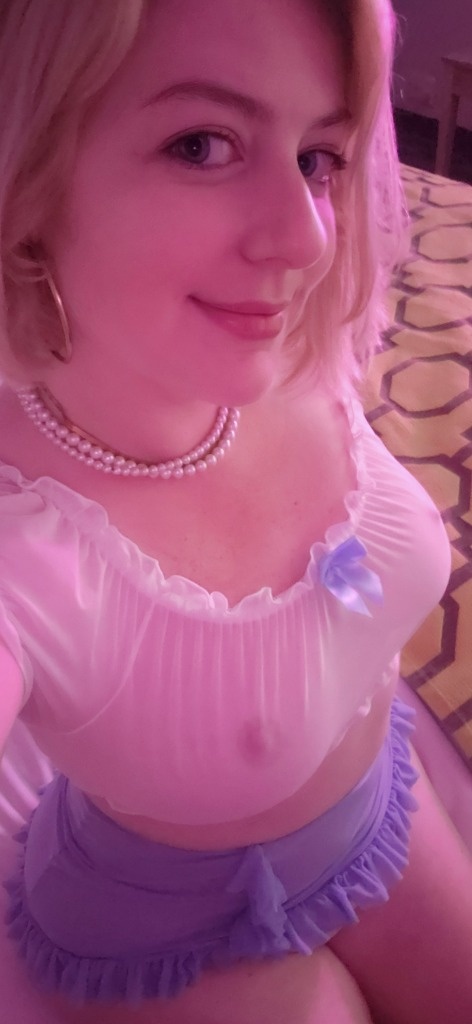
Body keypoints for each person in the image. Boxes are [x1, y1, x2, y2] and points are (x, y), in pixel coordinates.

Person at [0, 1, 471, 1022]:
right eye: (202, 145)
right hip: (158, 936)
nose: (306, 240)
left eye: (318, 157)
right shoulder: (21, 541)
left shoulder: (284, 344)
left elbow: (348, 577)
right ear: (26, 175)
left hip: (374, 811)